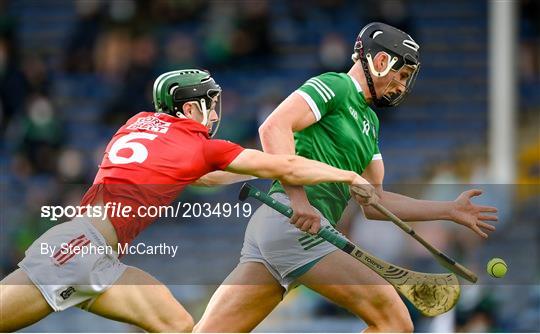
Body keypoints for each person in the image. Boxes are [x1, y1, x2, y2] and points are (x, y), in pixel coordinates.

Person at [0, 69, 376, 332]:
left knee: (177, 324)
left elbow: (206, 177)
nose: (213, 114)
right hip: (78, 251)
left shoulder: (138, 123)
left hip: (93, 253)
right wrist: (346, 175)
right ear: (189, 107)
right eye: (209, 104)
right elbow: (290, 166)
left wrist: (263, 170)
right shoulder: (197, 145)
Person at [195, 22, 499, 333]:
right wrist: (299, 201)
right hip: (292, 220)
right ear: (381, 62)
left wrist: (448, 210)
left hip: (284, 227)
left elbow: (374, 201)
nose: (403, 87)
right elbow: (273, 127)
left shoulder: (370, 123)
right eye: (402, 75)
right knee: (394, 322)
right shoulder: (336, 86)